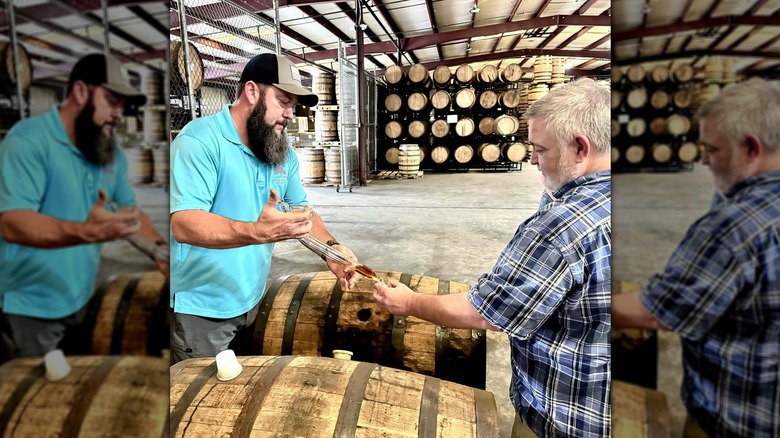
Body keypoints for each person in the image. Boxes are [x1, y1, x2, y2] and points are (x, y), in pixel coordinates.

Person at [373, 78, 611, 438]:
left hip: (566, 415)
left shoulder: (560, 228)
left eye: (540, 149)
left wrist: (408, 302)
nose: (532, 159)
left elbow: (487, 312)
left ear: (580, 148)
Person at [612, 78, 780, 437]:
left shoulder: (735, 226)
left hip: (739, 419)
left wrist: (580, 302)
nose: (703, 159)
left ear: (751, 149)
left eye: (712, 149)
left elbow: (659, 311)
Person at [169, 53, 357, 364]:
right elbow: (184, 223)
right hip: (203, 308)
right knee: (201, 403)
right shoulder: (200, 142)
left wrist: (333, 252)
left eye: (293, 106)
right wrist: (256, 232)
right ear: (252, 91)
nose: (289, 114)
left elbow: (301, 211)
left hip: (253, 299)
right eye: (283, 101)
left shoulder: (279, 149)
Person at [0, 53, 169, 360]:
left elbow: (131, 212)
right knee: (34, 400)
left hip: (82, 297)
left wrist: (159, 250)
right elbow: (12, 222)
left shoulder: (107, 151)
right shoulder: (28, 141)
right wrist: (83, 231)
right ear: (80, 92)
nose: (119, 114)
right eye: (112, 101)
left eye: (122, 105)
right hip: (29, 307)